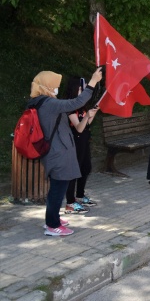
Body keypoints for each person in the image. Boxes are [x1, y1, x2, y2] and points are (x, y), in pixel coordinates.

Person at [28, 67, 103, 236]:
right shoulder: (48, 103)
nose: (57, 88)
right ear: (46, 85)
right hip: (57, 152)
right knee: (58, 188)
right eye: (54, 85)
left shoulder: (41, 101)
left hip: (56, 151)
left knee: (57, 187)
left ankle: (52, 217)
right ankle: (52, 226)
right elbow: (75, 103)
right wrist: (93, 82)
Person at [62, 77, 99, 214]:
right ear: (73, 89)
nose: (82, 92)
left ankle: (80, 195)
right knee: (74, 171)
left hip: (84, 140)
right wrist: (86, 116)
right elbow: (78, 128)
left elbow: (86, 125)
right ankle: (70, 203)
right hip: (74, 142)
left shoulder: (81, 106)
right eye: (80, 89)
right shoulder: (69, 106)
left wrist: (92, 114)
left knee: (86, 167)